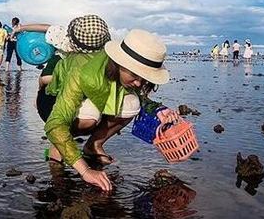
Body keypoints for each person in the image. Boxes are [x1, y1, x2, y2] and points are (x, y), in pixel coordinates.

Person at [44, 29, 180, 192]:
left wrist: (158, 110)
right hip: (52, 101)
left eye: (145, 78)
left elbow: (136, 95)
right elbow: (55, 123)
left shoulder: (122, 72)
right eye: (135, 75)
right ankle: (58, 146)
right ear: (120, 63)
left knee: (133, 104)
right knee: (90, 116)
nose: (138, 83)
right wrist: (85, 171)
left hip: (90, 95)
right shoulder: (82, 72)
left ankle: (93, 145)